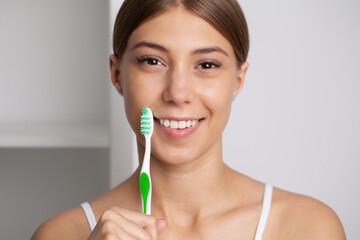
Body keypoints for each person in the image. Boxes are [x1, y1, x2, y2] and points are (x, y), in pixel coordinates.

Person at [32, 0, 346, 239]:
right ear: (117, 74)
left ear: (238, 79)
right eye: (152, 61)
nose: (178, 92)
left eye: (207, 64)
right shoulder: (63, 234)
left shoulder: (307, 227)